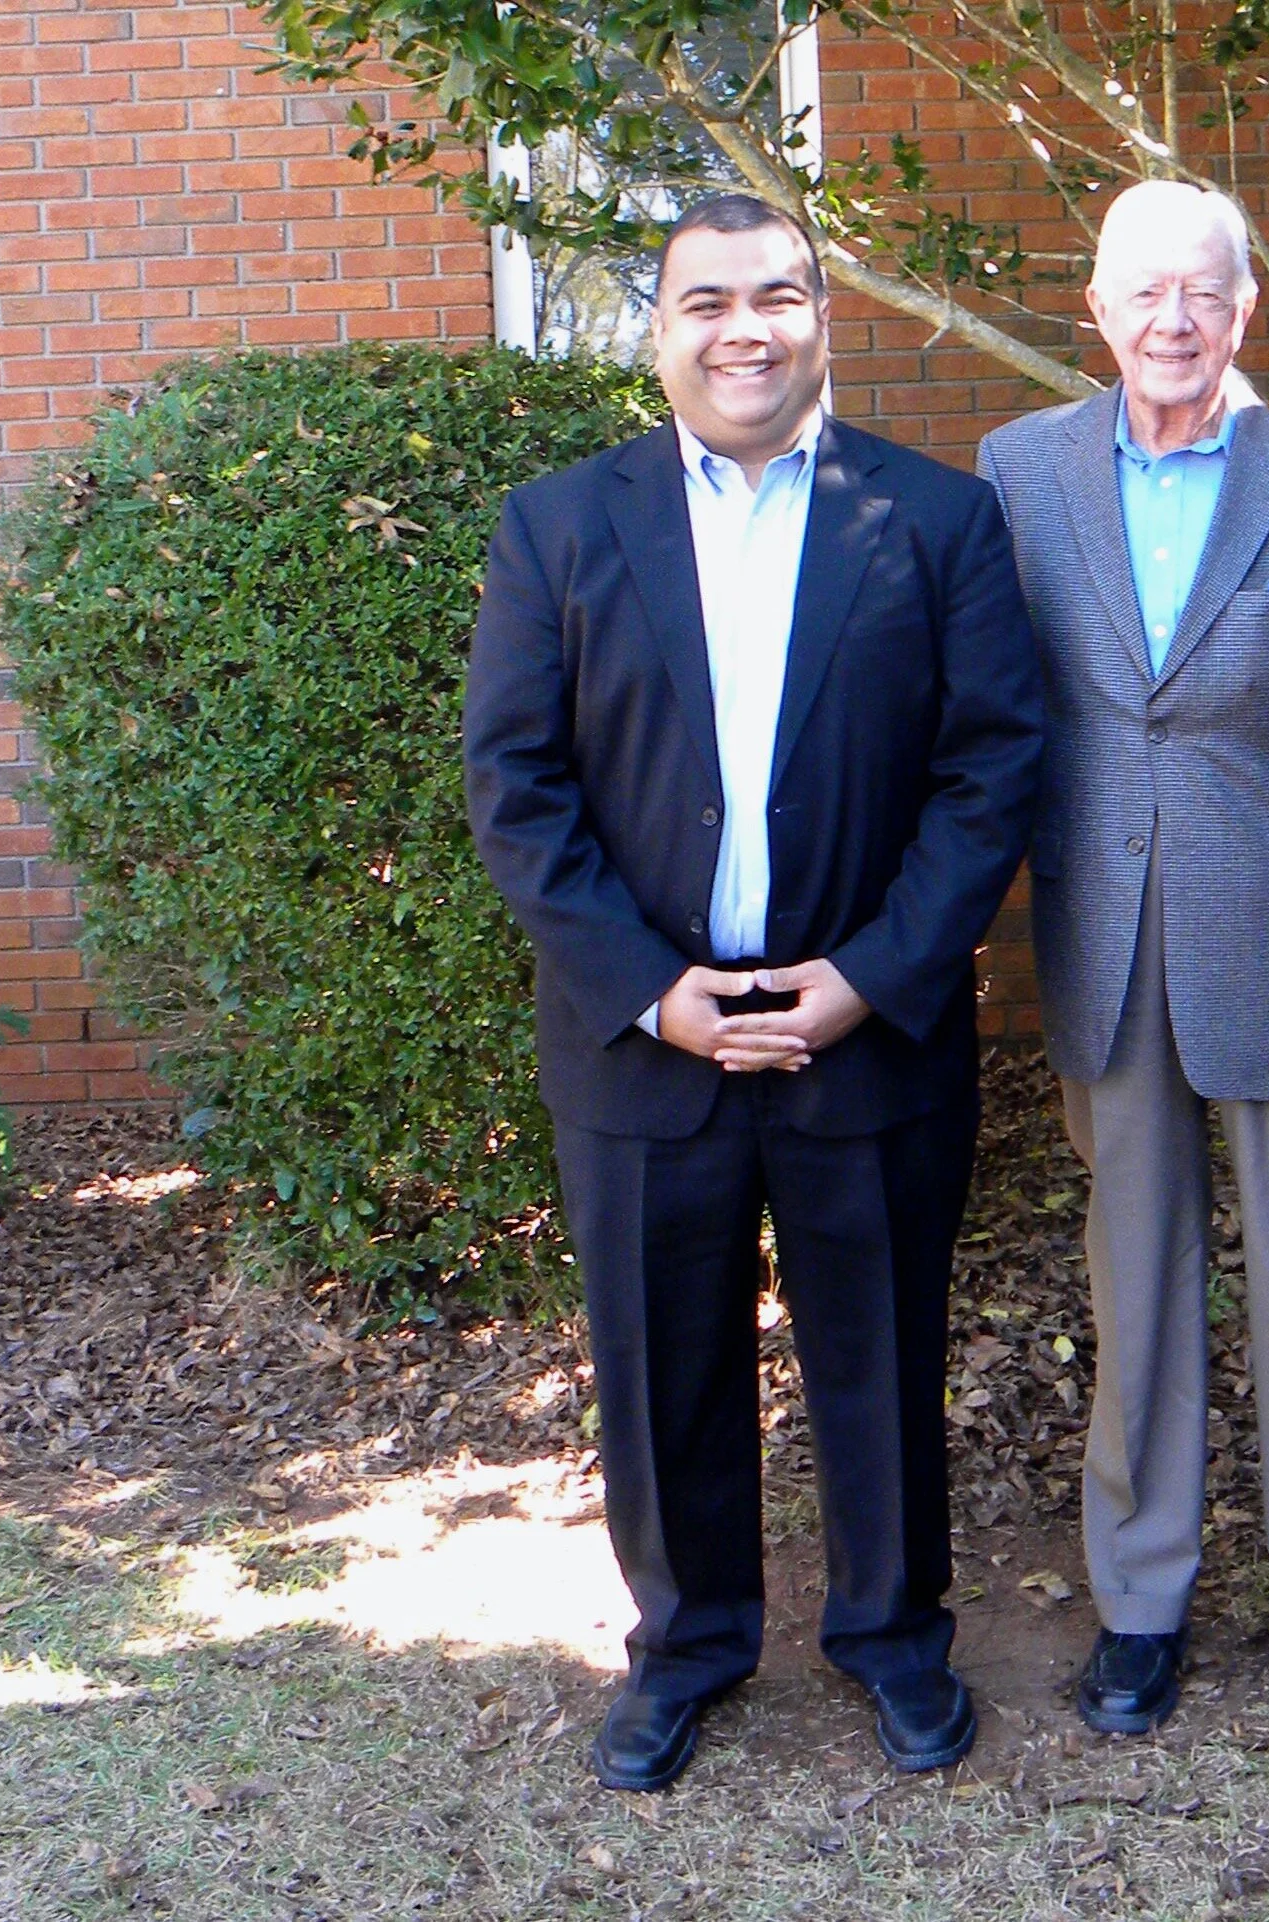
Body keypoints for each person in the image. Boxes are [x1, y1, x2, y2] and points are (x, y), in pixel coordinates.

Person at [463, 193, 1042, 1788]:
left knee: (883, 1351)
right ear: (656, 332)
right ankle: (689, 1643)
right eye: (706, 300)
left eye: (777, 295)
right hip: (649, 1044)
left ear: (820, 318)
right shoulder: (561, 528)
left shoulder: (932, 520)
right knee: (664, 1365)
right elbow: (517, 790)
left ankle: (892, 1636)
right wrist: (654, 991)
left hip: (865, 1030)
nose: (745, 329)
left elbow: (988, 773)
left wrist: (867, 978)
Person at [977, 181, 1269, 1735]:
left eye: (1207, 293)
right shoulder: (1019, 475)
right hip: (1103, 942)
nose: (1174, 321)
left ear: (1251, 309)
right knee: (1138, 1286)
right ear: (1094, 310)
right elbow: (993, 721)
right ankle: (1144, 1597)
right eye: (1143, 293)